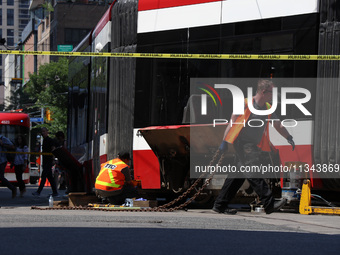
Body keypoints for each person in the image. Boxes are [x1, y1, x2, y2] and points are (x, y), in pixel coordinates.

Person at [213, 79, 295, 215]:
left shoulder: (268, 107)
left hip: (252, 144)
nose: (274, 95)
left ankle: (219, 205)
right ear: (263, 92)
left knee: (236, 175)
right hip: (242, 142)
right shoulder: (245, 103)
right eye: (272, 92)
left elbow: (277, 124)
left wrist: (288, 137)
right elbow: (232, 123)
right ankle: (269, 203)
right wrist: (224, 142)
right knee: (253, 169)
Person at [32, 127, 59, 197]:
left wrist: (53, 159)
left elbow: (53, 149)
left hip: (49, 160)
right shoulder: (43, 141)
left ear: (47, 132)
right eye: (42, 132)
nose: (43, 133)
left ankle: (38, 191)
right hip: (45, 160)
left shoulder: (50, 140)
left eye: (44, 131)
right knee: (50, 177)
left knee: (43, 176)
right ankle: (55, 192)